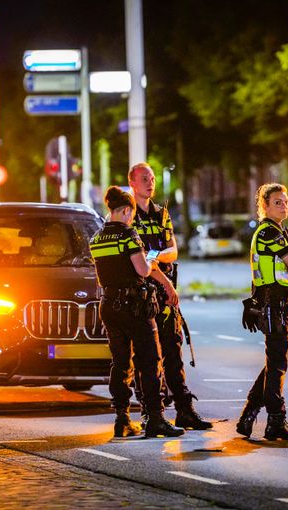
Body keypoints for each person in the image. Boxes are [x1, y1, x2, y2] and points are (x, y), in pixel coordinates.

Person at [89, 186, 184, 439]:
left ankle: (122, 418)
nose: (132, 218)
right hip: (134, 306)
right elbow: (142, 270)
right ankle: (155, 418)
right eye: (130, 213)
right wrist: (156, 269)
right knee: (149, 361)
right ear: (125, 210)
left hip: (108, 305)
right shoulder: (128, 235)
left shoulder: (97, 238)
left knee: (120, 363)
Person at [127, 162, 212, 430]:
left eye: (152, 178)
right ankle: (152, 413)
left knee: (173, 353)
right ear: (132, 182)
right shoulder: (128, 216)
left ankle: (184, 410)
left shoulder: (161, 214)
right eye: (144, 178)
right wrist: (153, 262)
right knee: (147, 358)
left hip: (165, 296)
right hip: (142, 297)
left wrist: (156, 256)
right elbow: (136, 262)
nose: (150, 183)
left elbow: (173, 250)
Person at [237, 183, 288, 440]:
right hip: (273, 300)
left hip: (275, 301)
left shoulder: (275, 230)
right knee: (277, 364)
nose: (284, 205)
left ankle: (249, 414)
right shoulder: (268, 232)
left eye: (286, 201)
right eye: (277, 202)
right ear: (264, 205)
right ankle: (275, 420)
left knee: (273, 361)